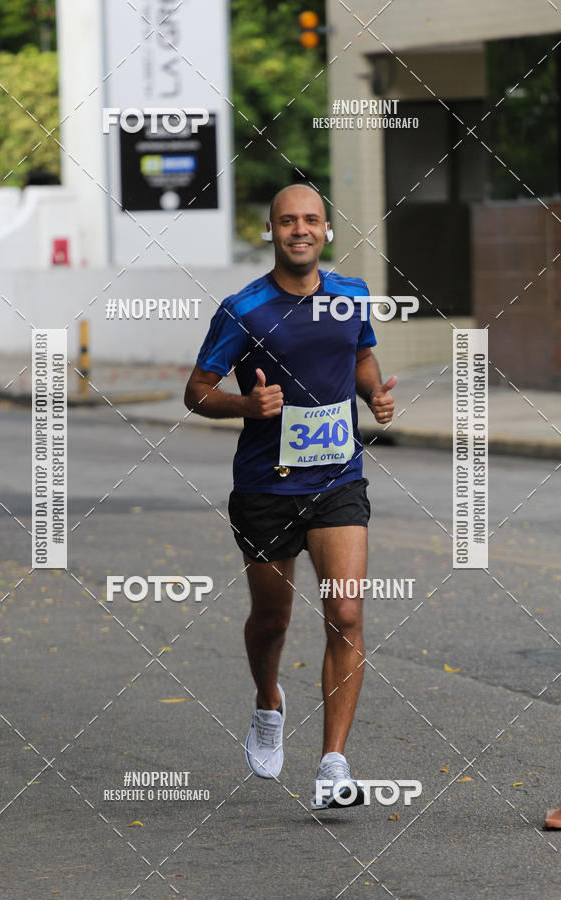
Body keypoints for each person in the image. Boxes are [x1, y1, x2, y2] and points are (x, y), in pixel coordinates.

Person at [183, 184, 396, 809]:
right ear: (271, 231)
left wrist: (375, 396)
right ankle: (269, 701)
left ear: (326, 230)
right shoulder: (243, 308)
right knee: (272, 619)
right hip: (265, 487)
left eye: (310, 220)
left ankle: (333, 765)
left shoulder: (351, 295)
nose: (298, 230)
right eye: (286, 221)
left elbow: (359, 355)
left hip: (337, 479)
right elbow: (195, 391)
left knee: (348, 614)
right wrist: (245, 405)